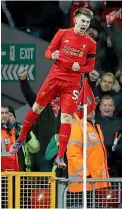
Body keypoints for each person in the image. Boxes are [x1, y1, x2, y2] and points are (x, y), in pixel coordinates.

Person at [10, 7, 96, 168]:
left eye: (88, 22)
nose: (85, 24)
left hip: (72, 83)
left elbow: (90, 66)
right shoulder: (63, 33)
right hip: (54, 78)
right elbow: (48, 52)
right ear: (76, 20)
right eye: (83, 20)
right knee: (36, 108)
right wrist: (52, 55)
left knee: (66, 118)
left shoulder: (91, 43)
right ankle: (20, 139)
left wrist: (81, 68)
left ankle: (60, 156)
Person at [67, 110, 110, 207]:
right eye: (88, 108)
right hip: (83, 185)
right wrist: (86, 174)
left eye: (93, 109)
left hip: (96, 184)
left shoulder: (95, 127)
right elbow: (73, 154)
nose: (91, 111)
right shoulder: (77, 127)